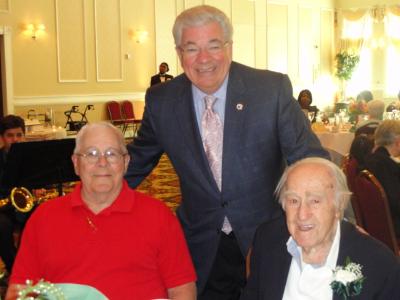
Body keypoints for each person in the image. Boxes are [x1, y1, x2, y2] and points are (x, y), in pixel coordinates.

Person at [125, 5, 328, 299]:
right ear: (179, 53)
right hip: (202, 242)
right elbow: (138, 159)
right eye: (192, 48)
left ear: (229, 47)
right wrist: (90, 195)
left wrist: (336, 221)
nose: (204, 59)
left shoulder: (269, 89)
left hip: (269, 237)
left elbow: (310, 159)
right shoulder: (162, 100)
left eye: (214, 46)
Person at [6, 122, 197, 300]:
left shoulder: (158, 215)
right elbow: (19, 290)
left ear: (126, 162)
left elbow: (182, 289)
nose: (102, 162)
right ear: (75, 163)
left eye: (112, 153)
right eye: (91, 153)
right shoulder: (44, 218)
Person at [241, 157, 400, 300]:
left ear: (339, 206)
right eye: (293, 201)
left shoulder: (378, 263)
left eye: (315, 201)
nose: (302, 215)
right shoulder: (268, 240)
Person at [365, 120, 400, 238]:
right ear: (398, 142)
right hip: (392, 226)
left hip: (376, 224)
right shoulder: (385, 166)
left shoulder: (372, 160)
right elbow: (395, 202)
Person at [0, 115, 26, 277]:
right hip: (4, 207)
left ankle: (32, 264)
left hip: (26, 204)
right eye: (10, 136)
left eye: (19, 135)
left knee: (45, 218)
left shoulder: (32, 158)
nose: (15, 140)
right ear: (2, 138)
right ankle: (14, 268)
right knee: (2, 227)